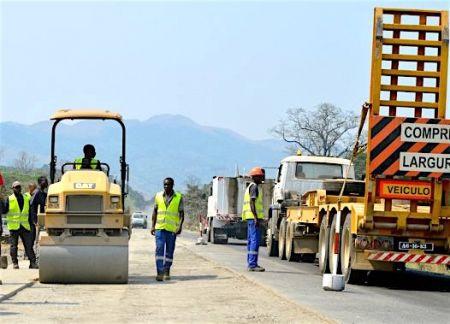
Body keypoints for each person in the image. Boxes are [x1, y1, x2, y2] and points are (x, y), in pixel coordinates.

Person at [151, 177, 184, 281]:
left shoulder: (178, 197)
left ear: (172, 185)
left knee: (169, 252)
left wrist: (179, 226)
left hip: (171, 229)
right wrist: (152, 225)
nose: (166, 186)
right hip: (160, 228)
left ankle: (167, 270)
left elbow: (182, 213)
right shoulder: (158, 196)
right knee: (159, 249)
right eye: (165, 184)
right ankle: (159, 272)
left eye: (168, 184)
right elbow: (155, 211)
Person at [3, 181, 38, 269]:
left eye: (19, 187)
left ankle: (32, 262)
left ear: (21, 188)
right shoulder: (9, 199)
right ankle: (15, 263)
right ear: (13, 189)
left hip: (25, 226)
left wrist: (32, 223)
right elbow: (4, 211)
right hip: (14, 227)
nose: (17, 189)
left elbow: (30, 212)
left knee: (29, 246)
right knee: (14, 246)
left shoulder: (26, 198)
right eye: (16, 187)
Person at [242, 167, 266, 272]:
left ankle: (251, 263)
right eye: (260, 176)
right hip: (253, 218)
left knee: (251, 241)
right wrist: (256, 217)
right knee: (255, 241)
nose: (262, 178)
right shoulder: (254, 187)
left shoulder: (251, 186)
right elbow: (252, 203)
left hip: (250, 218)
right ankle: (252, 264)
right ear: (255, 177)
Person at [29, 176, 48, 252]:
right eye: (43, 182)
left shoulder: (43, 193)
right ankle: (36, 255)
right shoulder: (37, 192)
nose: (45, 183)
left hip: (43, 219)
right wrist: (35, 221)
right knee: (37, 239)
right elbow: (32, 206)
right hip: (37, 220)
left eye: (45, 182)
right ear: (40, 183)